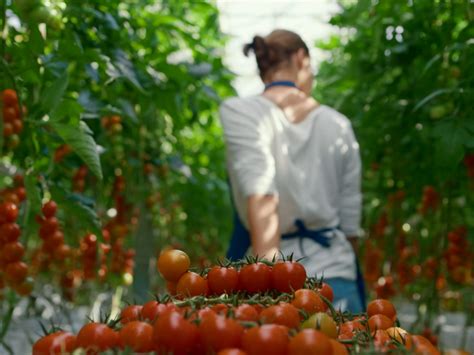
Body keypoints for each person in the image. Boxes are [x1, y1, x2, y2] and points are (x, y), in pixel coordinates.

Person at [219, 29, 365, 312]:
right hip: (335, 275)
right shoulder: (339, 126)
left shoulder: (241, 112)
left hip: (271, 269)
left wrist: (266, 286)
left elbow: (261, 195)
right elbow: (349, 225)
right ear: (301, 58)